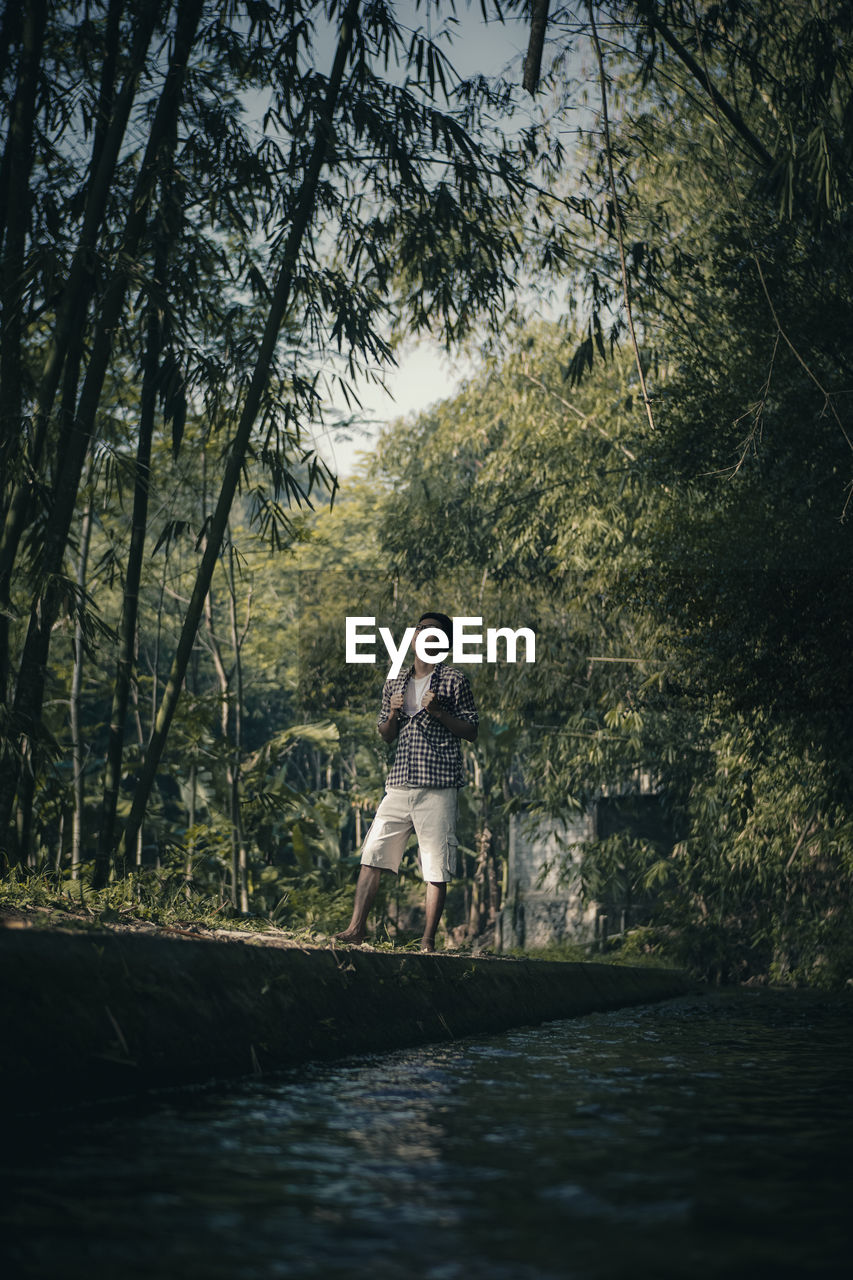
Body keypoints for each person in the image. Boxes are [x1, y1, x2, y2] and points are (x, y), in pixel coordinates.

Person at [335, 611, 478, 951]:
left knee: (436, 865)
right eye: (425, 631)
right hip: (399, 783)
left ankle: (427, 942)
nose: (429, 637)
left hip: (438, 785)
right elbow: (386, 734)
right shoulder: (395, 683)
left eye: (438, 635)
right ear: (414, 637)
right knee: (373, 854)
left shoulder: (454, 681)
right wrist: (396, 712)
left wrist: (439, 712)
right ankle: (356, 929)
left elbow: (472, 731)